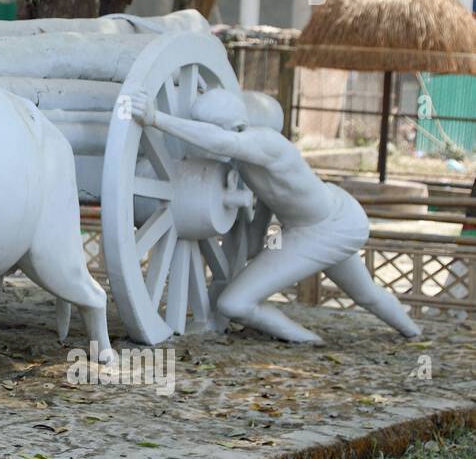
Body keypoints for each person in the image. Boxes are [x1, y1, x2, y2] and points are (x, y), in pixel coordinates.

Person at [128, 87, 420, 344]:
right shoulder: (244, 161)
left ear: (237, 125)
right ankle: (412, 332)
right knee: (366, 293)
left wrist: (156, 118)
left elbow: (219, 142)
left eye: (210, 128)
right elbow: (267, 202)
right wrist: (255, 238)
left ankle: (307, 340)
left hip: (325, 228)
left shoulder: (265, 142)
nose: (203, 137)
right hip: (314, 227)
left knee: (235, 304)